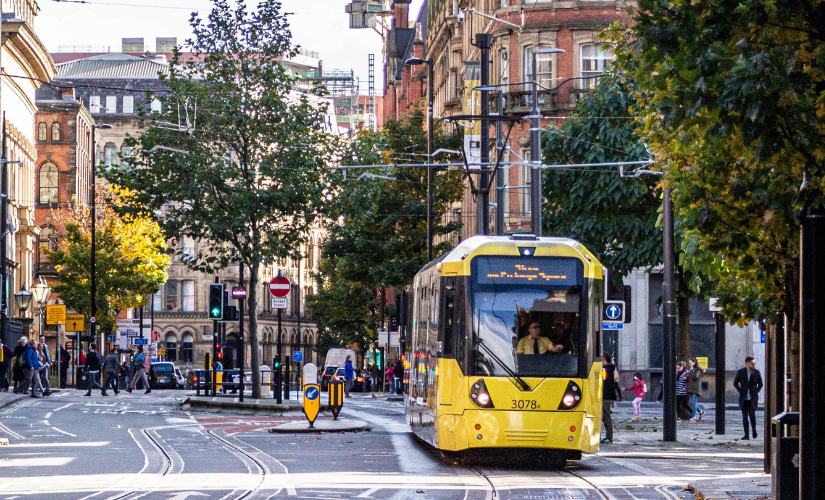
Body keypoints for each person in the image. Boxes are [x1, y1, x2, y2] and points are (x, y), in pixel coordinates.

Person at [733, 356, 763, 440]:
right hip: (744, 398)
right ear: (747, 363)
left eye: (754, 363)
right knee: (745, 417)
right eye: (751, 363)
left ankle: (754, 430)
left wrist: (755, 392)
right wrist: (741, 391)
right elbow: (735, 383)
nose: (753, 364)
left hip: (752, 398)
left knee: (752, 415)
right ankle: (746, 434)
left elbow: (760, 384)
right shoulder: (741, 372)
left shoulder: (756, 372)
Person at [601, 352, 620, 444]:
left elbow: (607, 384)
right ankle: (608, 436)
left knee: (606, 416)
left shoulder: (606, 370)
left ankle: (609, 437)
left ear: (603, 359)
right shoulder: (609, 369)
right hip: (606, 395)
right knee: (605, 416)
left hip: (605, 396)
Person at [688, 357, 705, 421]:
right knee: (690, 402)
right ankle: (701, 412)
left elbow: (695, 376)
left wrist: (691, 371)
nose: (689, 364)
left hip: (696, 387)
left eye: (690, 362)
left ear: (694, 362)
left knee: (694, 402)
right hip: (692, 387)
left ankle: (694, 417)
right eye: (689, 363)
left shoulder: (697, 369)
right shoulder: (693, 369)